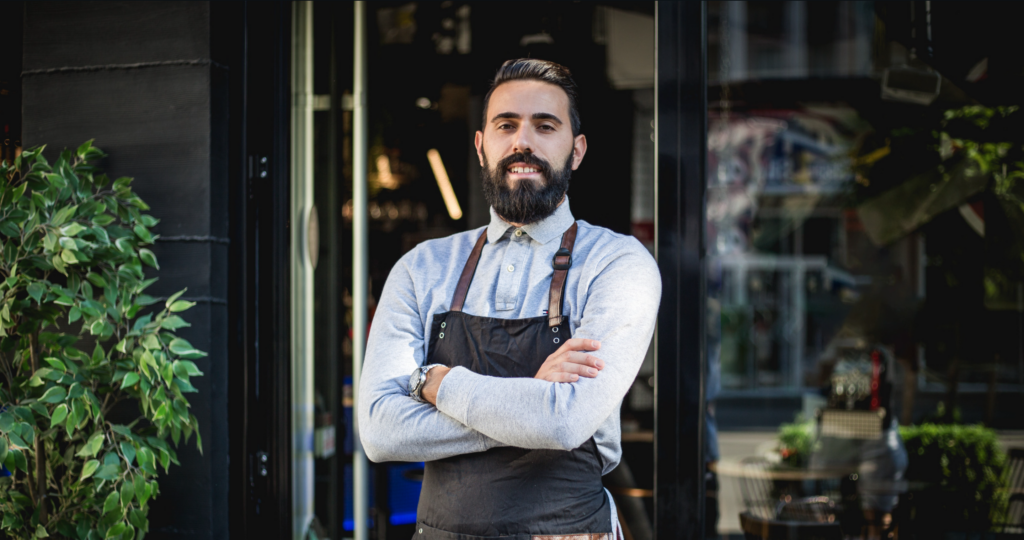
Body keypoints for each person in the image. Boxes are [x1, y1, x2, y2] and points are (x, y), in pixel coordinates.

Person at [358, 58, 661, 540]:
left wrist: (436, 385)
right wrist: (530, 400)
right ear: (481, 147)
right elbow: (379, 431)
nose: (523, 141)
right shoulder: (422, 267)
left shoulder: (618, 263)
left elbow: (566, 422)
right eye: (506, 125)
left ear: (576, 150)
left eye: (545, 126)